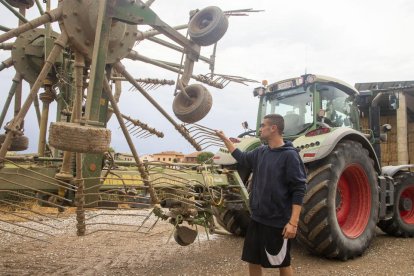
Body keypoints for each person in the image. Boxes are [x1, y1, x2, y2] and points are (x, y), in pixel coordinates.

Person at [215, 114, 307, 276]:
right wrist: (225, 139)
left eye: (263, 125)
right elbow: (242, 158)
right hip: (257, 219)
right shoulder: (261, 152)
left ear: (273, 128)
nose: (260, 129)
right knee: (253, 259)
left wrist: (293, 222)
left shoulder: (290, 155)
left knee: (282, 262)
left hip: (277, 221)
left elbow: (299, 189)